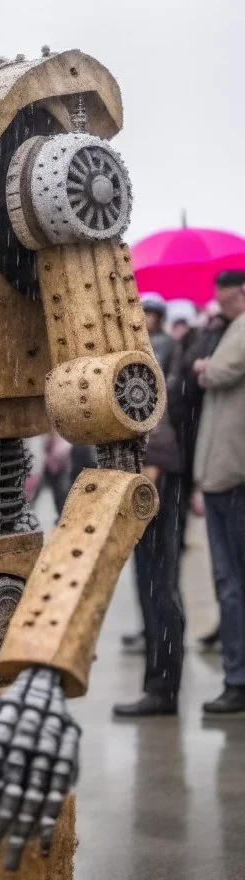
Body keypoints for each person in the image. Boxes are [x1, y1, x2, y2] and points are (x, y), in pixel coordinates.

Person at [114, 290, 185, 716]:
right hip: (148, 472)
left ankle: (162, 686)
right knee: (153, 583)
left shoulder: (158, 352)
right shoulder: (155, 350)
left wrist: (152, 465)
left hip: (154, 474)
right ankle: (160, 682)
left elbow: (158, 414)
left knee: (158, 584)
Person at [194, 270, 245, 715]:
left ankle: (238, 679)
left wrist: (205, 367)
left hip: (233, 476)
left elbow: (224, 371)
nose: (219, 301)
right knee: (229, 583)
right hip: (221, 475)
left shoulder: (241, 329)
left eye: (224, 295)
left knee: (232, 585)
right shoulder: (228, 327)